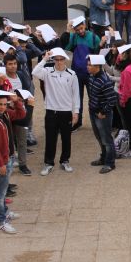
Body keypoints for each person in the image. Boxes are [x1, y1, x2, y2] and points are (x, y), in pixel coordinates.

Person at [32, 48, 80, 176]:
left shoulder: (72, 74)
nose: (59, 62)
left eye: (61, 59)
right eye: (56, 59)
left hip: (66, 112)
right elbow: (35, 72)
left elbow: (76, 94)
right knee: (50, 138)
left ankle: (65, 160)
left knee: (66, 138)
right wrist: (45, 58)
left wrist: (76, 112)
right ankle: (48, 163)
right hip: (51, 111)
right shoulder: (47, 72)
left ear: (65, 60)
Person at [0, 89, 26, 234]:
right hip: (1, 162)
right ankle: (1, 222)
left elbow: (21, 114)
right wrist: (0, 163)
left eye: (4, 104)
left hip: (9, 157)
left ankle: (5, 212)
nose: (2, 107)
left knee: (2, 191)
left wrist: (16, 101)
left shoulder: (5, 113)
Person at [65, 17, 103, 131]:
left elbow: (99, 54)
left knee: (94, 98)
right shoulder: (73, 37)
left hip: (90, 74)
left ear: (85, 25)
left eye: (81, 28)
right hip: (76, 73)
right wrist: (68, 31)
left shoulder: (94, 37)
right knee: (77, 99)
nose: (80, 31)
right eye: (77, 30)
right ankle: (77, 122)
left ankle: (97, 122)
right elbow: (66, 47)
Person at [3, 54, 34, 176]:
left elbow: (27, 89)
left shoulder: (21, 75)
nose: (13, 66)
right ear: (5, 65)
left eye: (14, 63)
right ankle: (8, 164)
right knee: (8, 140)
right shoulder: (2, 79)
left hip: (20, 111)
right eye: (10, 64)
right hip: (7, 112)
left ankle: (23, 164)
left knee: (22, 140)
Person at [87, 54, 118, 174]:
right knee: (100, 137)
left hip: (102, 114)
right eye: (88, 64)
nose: (87, 67)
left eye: (90, 65)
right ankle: (104, 157)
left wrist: (103, 112)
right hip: (93, 112)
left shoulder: (105, 81)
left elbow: (112, 99)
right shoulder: (92, 77)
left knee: (106, 139)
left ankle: (110, 163)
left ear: (97, 66)